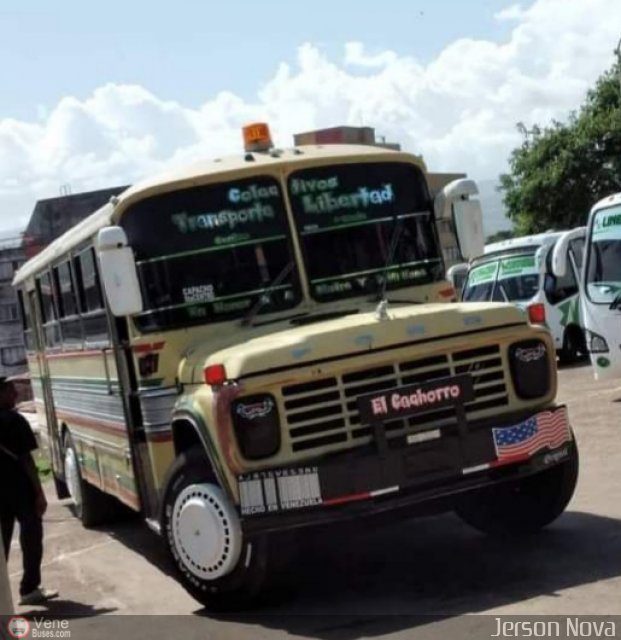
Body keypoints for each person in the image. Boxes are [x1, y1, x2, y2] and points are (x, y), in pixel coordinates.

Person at [0, 377, 57, 605]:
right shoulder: (15, 420)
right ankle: (29, 589)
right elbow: (27, 460)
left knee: (2, 543)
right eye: (9, 390)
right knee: (32, 538)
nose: (15, 394)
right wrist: (40, 493)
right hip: (21, 490)